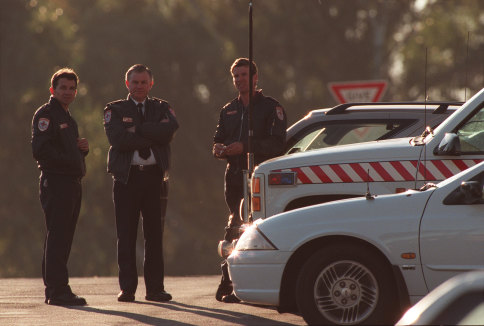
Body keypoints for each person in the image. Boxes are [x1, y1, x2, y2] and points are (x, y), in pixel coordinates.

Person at [212, 58, 287, 302]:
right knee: (234, 227)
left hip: (260, 177)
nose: (239, 80)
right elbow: (218, 138)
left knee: (254, 229)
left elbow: (277, 144)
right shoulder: (228, 109)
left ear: (255, 77)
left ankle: (246, 284)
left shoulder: (270, 107)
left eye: (243, 75)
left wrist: (245, 147)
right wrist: (219, 149)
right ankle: (230, 281)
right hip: (234, 176)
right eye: (236, 76)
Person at [103, 64, 178, 303]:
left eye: (143, 82)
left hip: (155, 178)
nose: (139, 87)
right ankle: (127, 289)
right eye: (135, 82)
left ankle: (155, 289)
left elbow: (169, 131)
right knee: (126, 235)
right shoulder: (115, 109)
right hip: (127, 178)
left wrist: (139, 128)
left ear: (151, 84)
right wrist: (151, 133)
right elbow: (118, 139)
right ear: (127, 84)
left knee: (154, 235)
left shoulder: (161, 107)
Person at [31, 68, 89, 306]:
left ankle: (58, 288)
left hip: (71, 182)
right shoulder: (46, 114)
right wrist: (70, 158)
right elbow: (41, 151)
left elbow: (69, 150)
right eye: (63, 87)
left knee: (64, 237)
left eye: (71, 88)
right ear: (52, 90)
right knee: (57, 236)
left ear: (76, 92)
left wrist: (82, 151)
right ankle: (57, 291)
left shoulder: (68, 118)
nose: (67, 91)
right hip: (56, 182)